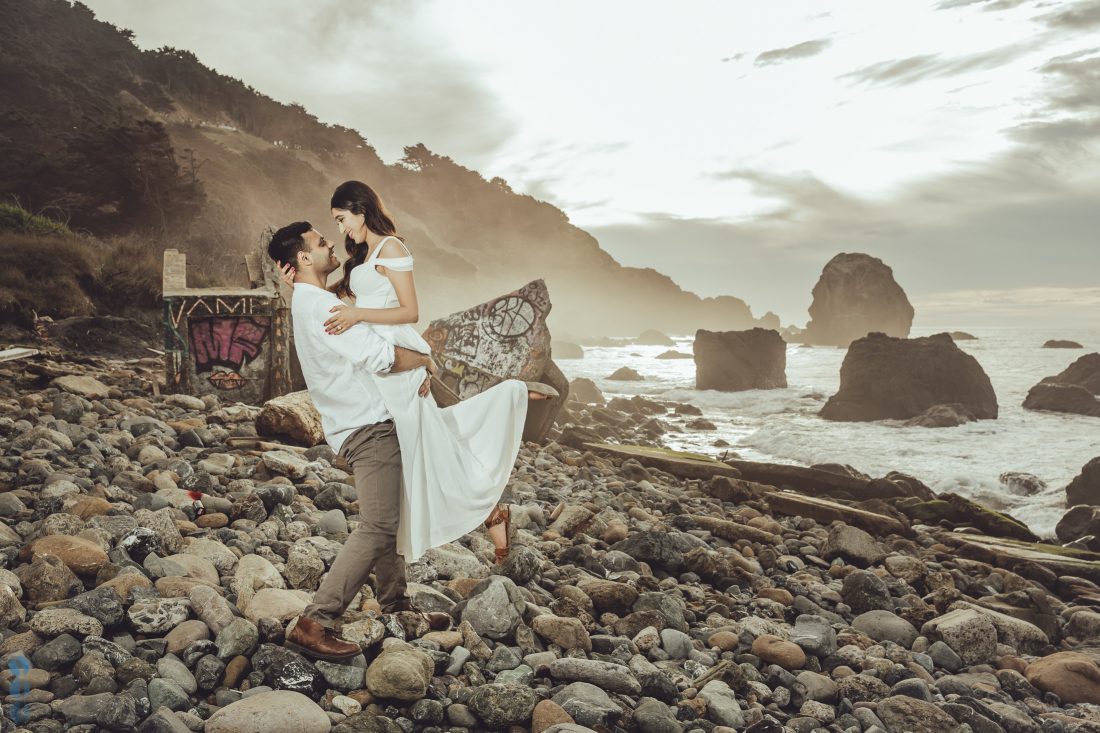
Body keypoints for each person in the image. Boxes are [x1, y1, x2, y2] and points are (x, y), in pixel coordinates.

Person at [281, 181, 553, 567]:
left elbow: (410, 312)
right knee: (426, 448)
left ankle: (511, 401)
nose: (341, 230)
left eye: (342, 219)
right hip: (379, 363)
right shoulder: (363, 254)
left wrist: (363, 318)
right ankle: (488, 513)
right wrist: (299, 281)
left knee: (425, 448)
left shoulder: (392, 247)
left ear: (360, 210)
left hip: (394, 355)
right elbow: (334, 297)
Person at [267, 221, 448, 661]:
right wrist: (425, 359)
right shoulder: (320, 305)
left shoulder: (310, 301)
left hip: (359, 424)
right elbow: (381, 357)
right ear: (304, 259)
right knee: (379, 524)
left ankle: (398, 606)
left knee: (389, 516)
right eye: (320, 242)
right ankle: (315, 621)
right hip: (368, 427)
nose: (331, 243)